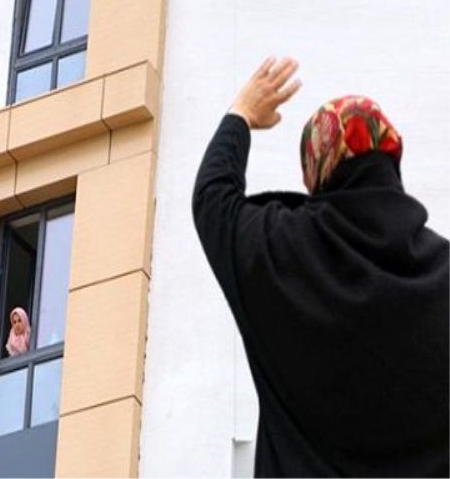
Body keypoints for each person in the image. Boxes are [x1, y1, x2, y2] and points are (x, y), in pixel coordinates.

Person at [192, 56, 450, 476]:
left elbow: (213, 199)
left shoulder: (281, 251)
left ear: (316, 170)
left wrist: (241, 115)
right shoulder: (442, 270)